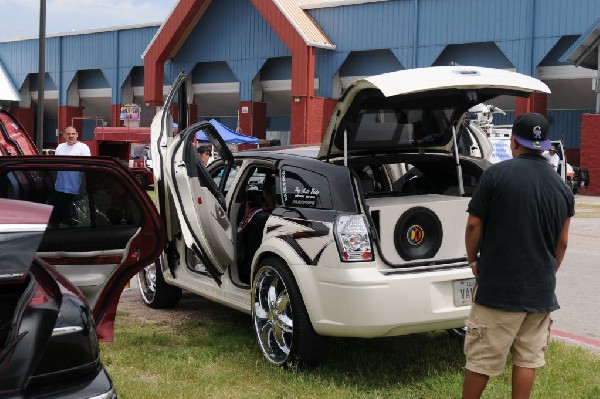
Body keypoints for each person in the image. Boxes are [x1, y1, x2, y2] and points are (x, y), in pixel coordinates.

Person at [462, 113, 574, 399]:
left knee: (481, 360)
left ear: (514, 142)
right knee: (527, 359)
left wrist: (473, 260)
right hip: (539, 292)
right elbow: (562, 243)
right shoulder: (562, 187)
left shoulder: (496, 175)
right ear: (545, 145)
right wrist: (549, 271)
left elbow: (474, 224)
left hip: (498, 290)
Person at [236, 174, 276, 284]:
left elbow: (238, 237)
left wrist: (245, 217)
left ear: (265, 195)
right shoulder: (288, 217)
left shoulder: (256, 217)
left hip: (248, 274)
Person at [49, 126, 91, 227]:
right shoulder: (60, 147)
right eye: (68, 134)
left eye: (73, 134)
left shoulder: (83, 148)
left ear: (77, 135)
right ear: (64, 135)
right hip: (59, 187)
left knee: (71, 216)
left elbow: (88, 167)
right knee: (56, 215)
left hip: (75, 188)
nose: (71, 136)